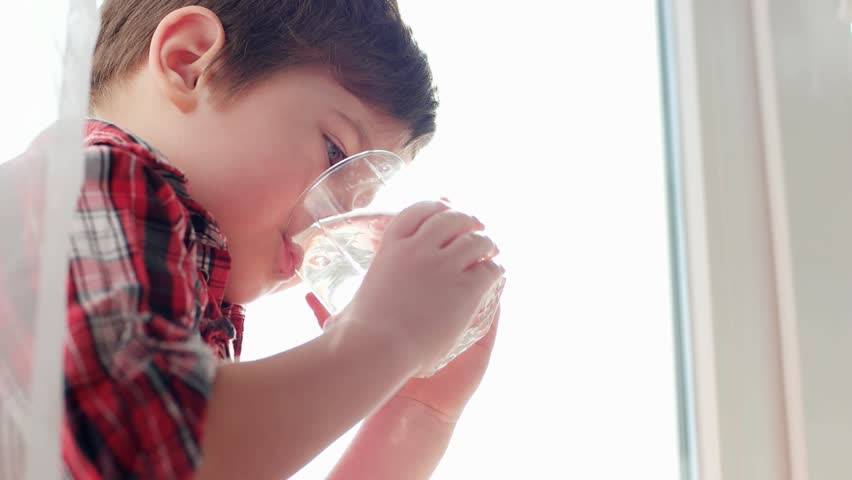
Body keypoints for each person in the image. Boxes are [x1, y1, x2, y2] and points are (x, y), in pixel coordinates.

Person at [62, 1, 503, 478]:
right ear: (189, 61)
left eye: (357, 202)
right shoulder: (91, 180)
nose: (334, 224)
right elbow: (144, 446)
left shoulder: (199, 314)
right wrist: (386, 337)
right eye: (335, 152)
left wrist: (417, 412)